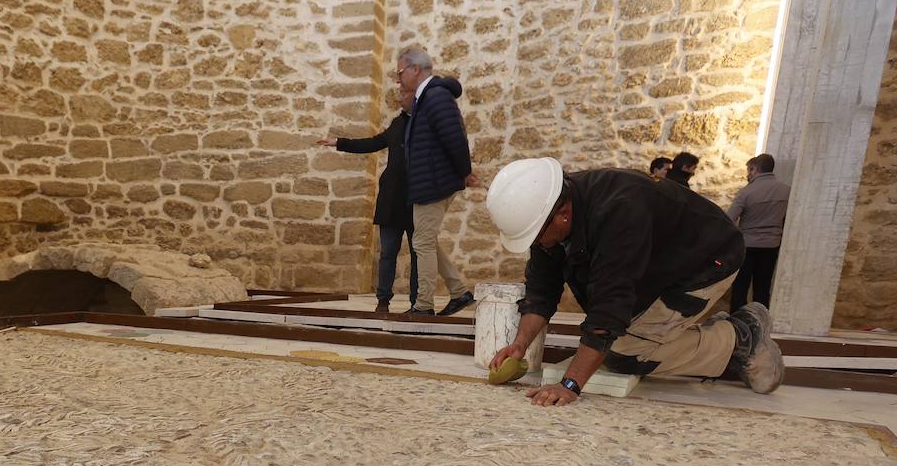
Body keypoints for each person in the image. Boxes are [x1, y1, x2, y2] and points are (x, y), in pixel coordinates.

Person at [484, 158, 783, 407]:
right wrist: (519, 345)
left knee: (626, 354)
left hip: (705, 261)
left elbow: (609, 310)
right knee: (619, 341)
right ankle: (713, 330)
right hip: (656, 270)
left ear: (562, 215)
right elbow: (541, 291)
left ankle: (740, 336)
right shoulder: (548, 208)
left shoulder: (619, 212)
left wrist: (570, 384)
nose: (535, 244)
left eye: (535, 237)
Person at [317, 86, 418, 314]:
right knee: (388, 253)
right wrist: (338, 142)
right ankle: (383, 301)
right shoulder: (397, 124)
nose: (400, 98)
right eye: (400, 95)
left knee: (418, 255)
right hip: (391, 199)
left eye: (405, 94)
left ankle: (417, 304)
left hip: (416, 199)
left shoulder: (426, 125)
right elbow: (372, 143)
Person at [394, 46, 479, 317]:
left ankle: (423, 306)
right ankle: (459, 292)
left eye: (399, 72)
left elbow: (454, 137)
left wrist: (464, 171)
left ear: (415, 69)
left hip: (433, 181)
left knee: (422, 243)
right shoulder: (427, 97)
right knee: (426, 239)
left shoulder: (436, 96)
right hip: (430, 179)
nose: (398, 79)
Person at [726, 153, 791, 311]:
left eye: (748, 170)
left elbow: (729, 219)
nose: (748, 174)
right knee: (762, 288)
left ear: (754, 169)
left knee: (740, 287)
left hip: (747, 245)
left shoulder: (746, 192)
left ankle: (737, 325)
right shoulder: (787, 190)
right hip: (771, 245)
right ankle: (760, 323)